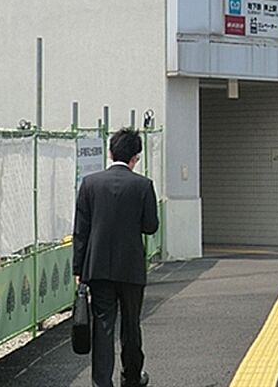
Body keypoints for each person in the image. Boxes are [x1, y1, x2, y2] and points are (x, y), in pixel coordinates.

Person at [73, 128, 159, 387]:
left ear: (110, 153)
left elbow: (81, 231)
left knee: (103, 325)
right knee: (131, 324)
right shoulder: (143, 185)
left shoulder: (90, 184)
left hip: (97, 267)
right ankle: (132, 376)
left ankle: (102, 381)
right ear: (136, 157)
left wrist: (78, 269)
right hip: (131, 268)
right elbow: (150, 226)